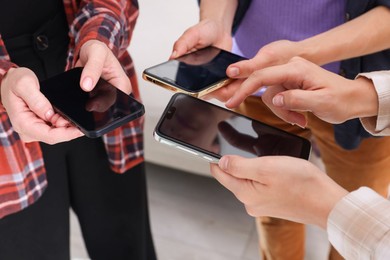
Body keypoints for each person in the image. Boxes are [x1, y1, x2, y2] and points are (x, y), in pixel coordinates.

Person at [171, 1, 390, 258]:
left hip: (357, 91)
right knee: (271, 207)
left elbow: (368, 225)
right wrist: (216, 21)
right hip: (255, 80)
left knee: (359, 201)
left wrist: (303, 56)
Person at [0, 0, 156, 259]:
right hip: (7, 144)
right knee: (28, 246)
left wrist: (99, 35)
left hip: (91, 76)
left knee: (127, 243)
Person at [209, 57, 390, 259]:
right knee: (274, 208)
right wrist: (364, 96)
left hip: (365, 75)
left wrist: (324, 205)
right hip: (262, 79)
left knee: (360, 193)